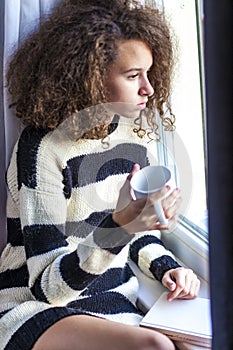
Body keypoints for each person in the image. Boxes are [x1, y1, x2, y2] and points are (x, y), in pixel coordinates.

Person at [0, 1, 200, 349]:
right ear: (90, 76)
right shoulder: (42, 148)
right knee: (155, 347)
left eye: (150, 73)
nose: (149, 89)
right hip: (35, 308)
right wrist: (121, 224)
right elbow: (48, 287)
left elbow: (131, 235)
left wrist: (167, 268)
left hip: (112, 304)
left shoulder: (132, 136)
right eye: (133, 75)